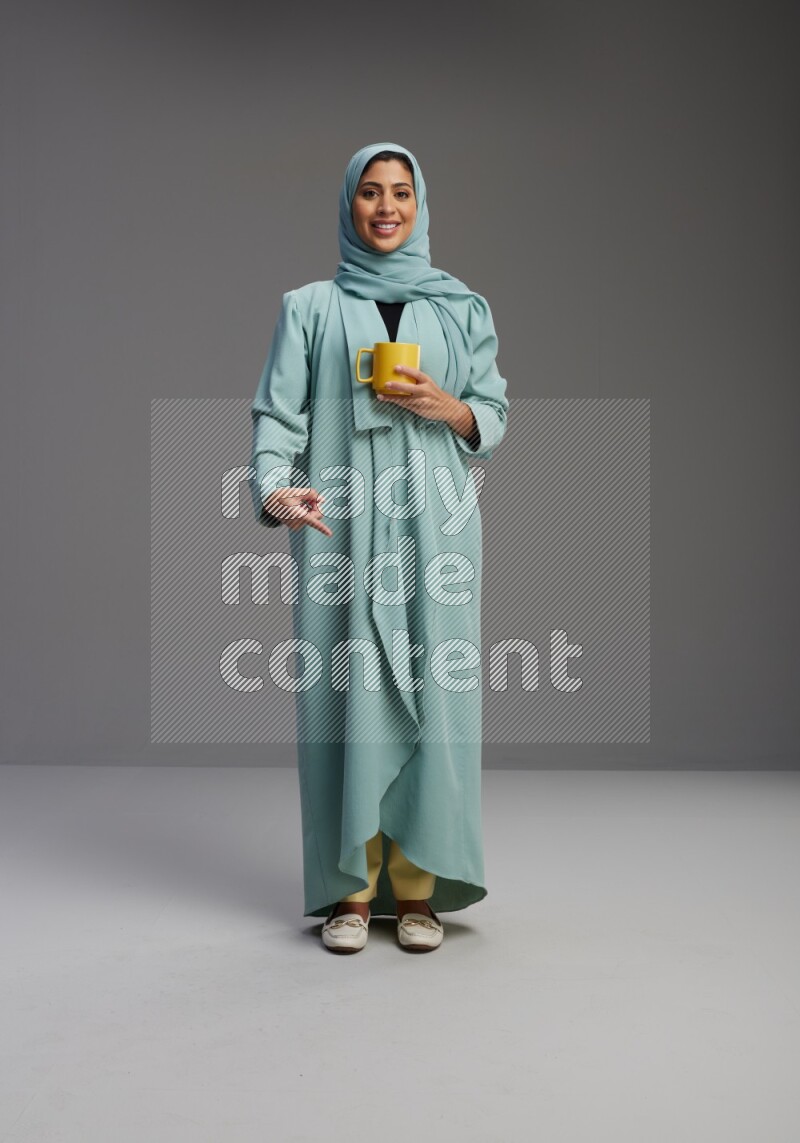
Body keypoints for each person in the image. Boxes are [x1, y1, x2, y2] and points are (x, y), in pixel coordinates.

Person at [249, 142, 509, 953]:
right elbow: (275, 418)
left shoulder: (462, 309)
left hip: (436, 529)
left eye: (401, 192)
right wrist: (272, 487)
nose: (386, 206)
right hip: (342, 528)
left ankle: (419, 887)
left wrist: (448, 407)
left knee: (437, 697)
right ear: (349, 205)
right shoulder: (310, 308)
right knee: (344, 701)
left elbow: (492, 414)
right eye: (370, 192)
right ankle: (352, 894)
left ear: (421, 204)